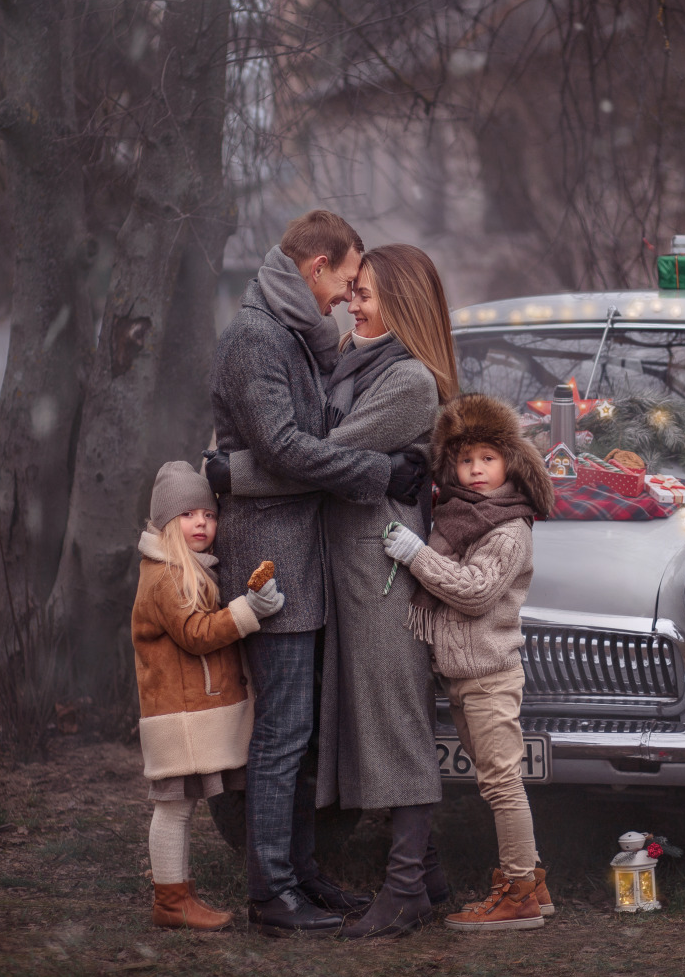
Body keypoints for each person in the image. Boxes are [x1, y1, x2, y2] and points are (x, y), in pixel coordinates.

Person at [221, 244, 458, 938]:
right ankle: (431, 874)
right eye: (351, 291)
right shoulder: (355, 364)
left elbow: (317, 464)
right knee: (369, 726)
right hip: (347, 572)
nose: (351, 305)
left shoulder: (408, 381)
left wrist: (230, 474)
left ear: (404, 305)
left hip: (381, 573)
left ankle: (406, 890)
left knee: (395, 725)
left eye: (367, 295)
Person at [381, 393, 559, 932]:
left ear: (511, 461)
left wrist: (414, 554)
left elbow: (476, 592)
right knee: (493, 780)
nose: (476, 470)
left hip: (489, 676)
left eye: (488, 457)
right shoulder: (459, 516)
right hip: (463, 676)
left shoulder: (508, 528)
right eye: (465, 459)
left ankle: (519, 891)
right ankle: (533, 881)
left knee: (503, 783)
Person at [130, 460, 282, 931]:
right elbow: (196, 634)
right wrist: (248, 611)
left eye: (209, 514)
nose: (202, 523)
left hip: (188, 711)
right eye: (190, 515)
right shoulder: (166, 577)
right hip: (176, 714)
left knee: (180, 807)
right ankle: (171, 901)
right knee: (173, 808)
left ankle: (178, 893)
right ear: (166, 523)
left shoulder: (188, 568)